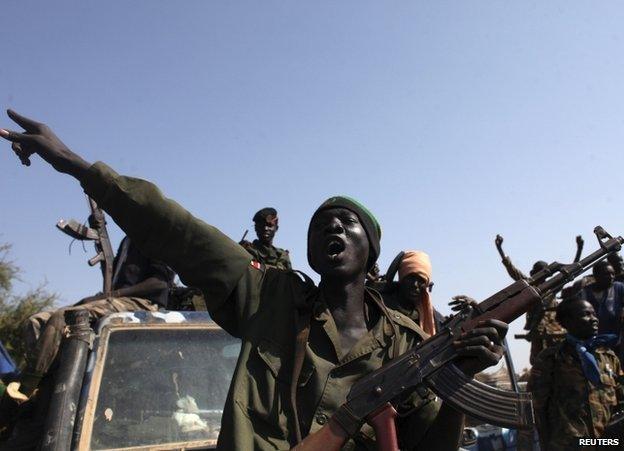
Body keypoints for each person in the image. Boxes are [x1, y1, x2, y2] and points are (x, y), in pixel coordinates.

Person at [0, 110, 507, 450]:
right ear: (306, 251)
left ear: (371, 248)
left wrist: (460, 378)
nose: (332, 225)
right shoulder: (269, 297)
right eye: (320, 223)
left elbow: (429, 444)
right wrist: (72, 163)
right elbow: (178, 231)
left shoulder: (407, 341)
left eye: (347, 221)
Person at [3, 235, 175, 410]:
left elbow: (160, 284)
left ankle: (28, 385)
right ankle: (46, 379)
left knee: (64, 317)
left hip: (141, 305)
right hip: (116, 301)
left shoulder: (155, 237)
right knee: (36, 321)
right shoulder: (127, 241)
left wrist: (111, 295)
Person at [528, 296, 624, 450]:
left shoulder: (608, 357)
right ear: (567, 322)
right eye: (586, 314)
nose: (594, 319)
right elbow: (534, 409)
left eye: (594, 314)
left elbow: (620, 399)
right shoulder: (551, 359)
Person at [494, 234, 565, 364]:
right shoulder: (529, 286)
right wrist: (500, 249)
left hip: (555, 332)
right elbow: (512, 270)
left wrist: (579, 248)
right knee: (538, 362)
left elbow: (568, 273)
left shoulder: (553, 288)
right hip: (537, 332)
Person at [383, 251, 440, 336]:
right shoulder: (380, 305)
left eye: (421, 280)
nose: (415, 285)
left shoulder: (432, 318)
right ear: (402, 277)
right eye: (411, 278)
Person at [580, 260, 624, 340]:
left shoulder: (619, 288)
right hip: (593, 340)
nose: (611, 277)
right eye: (607, 274)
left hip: (617, 339)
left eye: (613, 274)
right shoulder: (585, 293)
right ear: (596, 276)